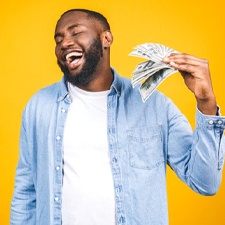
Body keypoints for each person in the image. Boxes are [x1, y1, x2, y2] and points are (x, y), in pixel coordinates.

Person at [10, 8, 225, 225]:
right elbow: (26, 192)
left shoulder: (153, 106)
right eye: (58, 40)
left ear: (106, 38)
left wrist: (206, 103)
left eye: (75, 33)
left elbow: (205, 183)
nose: (64, 43)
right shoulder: (39, 106)